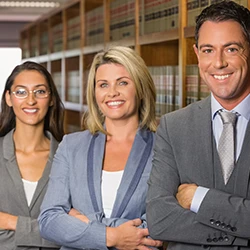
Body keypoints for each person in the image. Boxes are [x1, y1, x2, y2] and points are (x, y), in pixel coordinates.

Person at [146, 1, 250, 249]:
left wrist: (199, 199)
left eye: (232, 49)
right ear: (196, 54)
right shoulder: (174, 127)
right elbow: (159, 220)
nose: (219, 63)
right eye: (208, 50)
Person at [38, 46, 162, 250]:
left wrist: (84, 222)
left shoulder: (162, 148)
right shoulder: (71, 146)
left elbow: (158, 228)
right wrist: (111, 236)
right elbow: (49, 220)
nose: (112, 93)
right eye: (103, 85)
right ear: (94, 92)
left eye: (122, 82)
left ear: (140, 88)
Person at [0, 61, 64, 249]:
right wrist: (51, 229)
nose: (30, 100)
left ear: (51, 99)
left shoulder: (68, 156)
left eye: (40, 91)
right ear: (9, 99)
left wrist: (9, 222)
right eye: (21, 92)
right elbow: (63, 231)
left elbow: (76, 231)